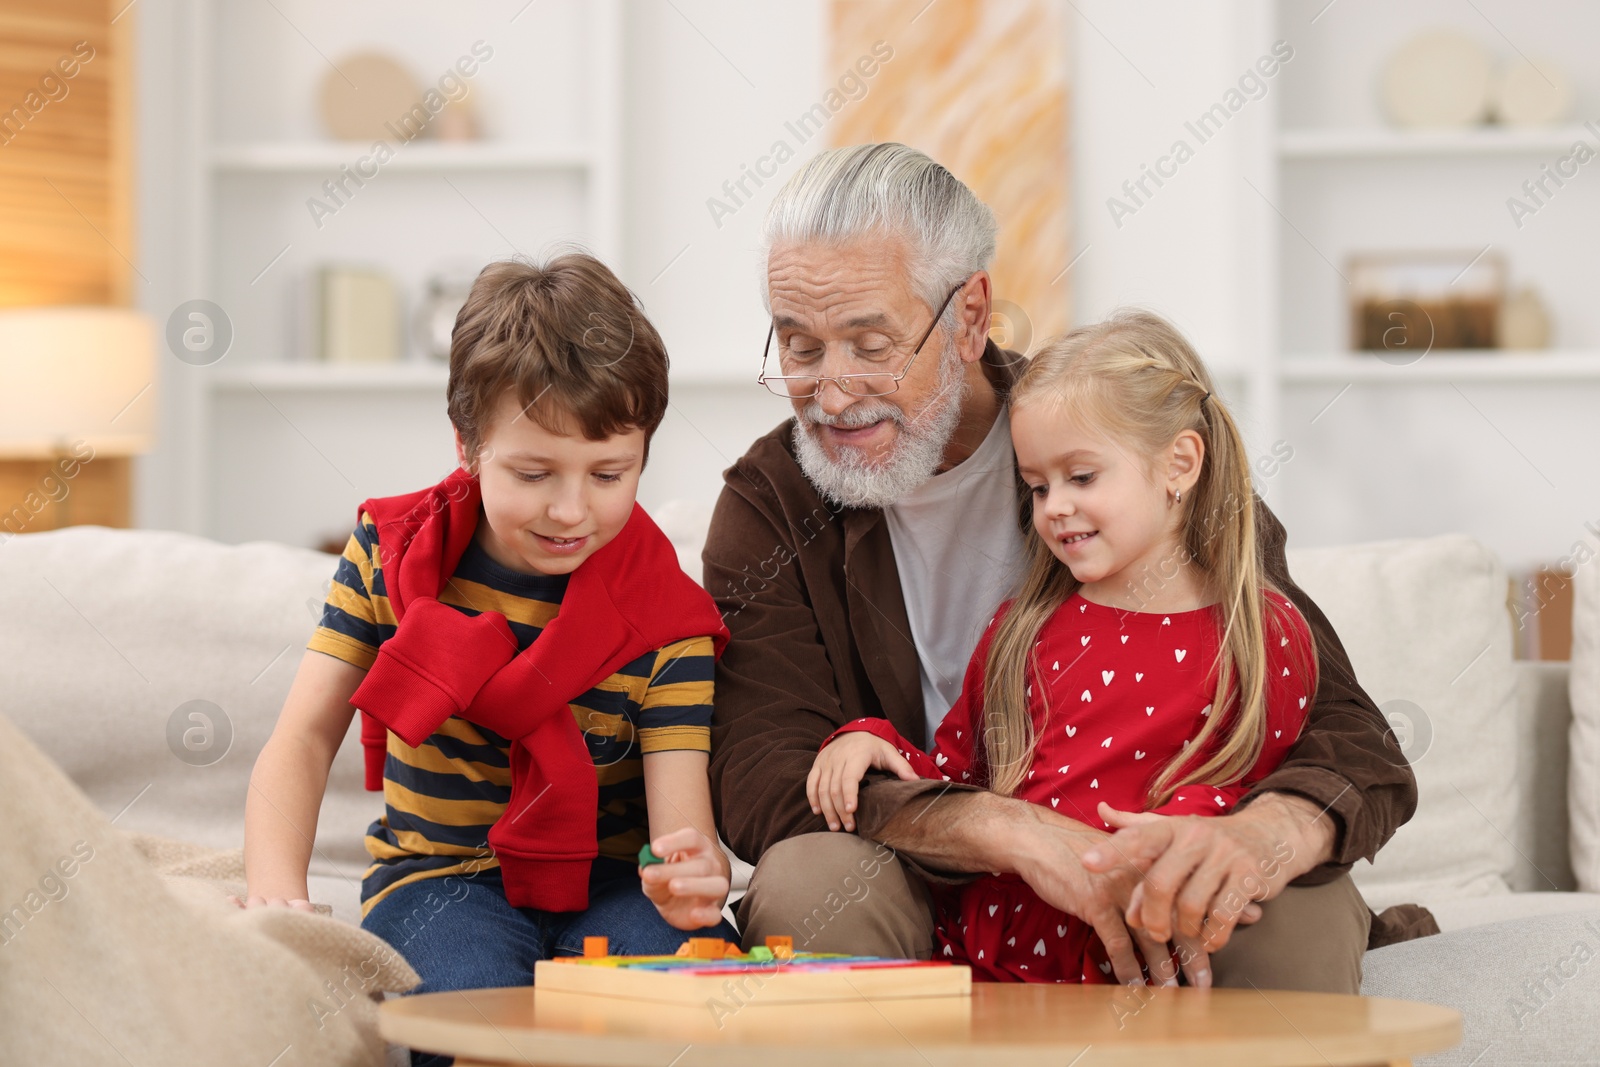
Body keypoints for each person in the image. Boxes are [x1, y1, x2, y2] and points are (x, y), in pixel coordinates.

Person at [706, 142, 1437, 994]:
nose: (830, 395)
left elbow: (1349, 732)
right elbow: (761, 775)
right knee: (810, 887)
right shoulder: (773, 501)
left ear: (971, 314)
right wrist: (1008, 831)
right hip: (929, 876)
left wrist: (1267, 833)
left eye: (870, 345)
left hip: (1163, 849)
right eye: (799, 349)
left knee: (1285, 913)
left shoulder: (1114, 442)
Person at [234, 254, 738, 1062]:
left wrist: (691, 872)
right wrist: (275, 893)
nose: (572, 510)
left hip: (610, 885)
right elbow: (300, 739)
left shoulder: (668, 619)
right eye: (534, 472)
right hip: (439, 880)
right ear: (467, 443)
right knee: (465, 1024)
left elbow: (680, 834)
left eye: (611, 474)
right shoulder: (385, 556)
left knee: (668, 1010)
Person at [807, 310, 1318, 984]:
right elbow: (961, 776)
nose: (1053, 508)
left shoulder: (1262, 632)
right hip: (996, 953)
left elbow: (1256, 782)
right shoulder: (1024, 628)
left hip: (1153, 951)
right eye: (1039, 486)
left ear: (1180, 463)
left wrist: (1170, 846)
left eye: (1082, 477)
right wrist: (875, 743)